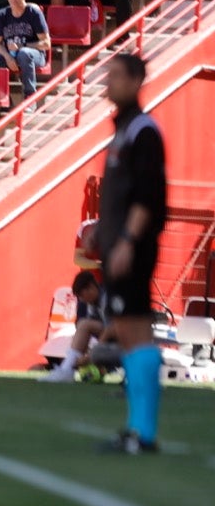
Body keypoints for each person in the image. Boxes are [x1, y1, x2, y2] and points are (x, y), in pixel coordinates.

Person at [91, 54, 169, 453]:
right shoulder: (124, 129)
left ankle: (144, 432)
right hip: (118, 245)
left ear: (137, 80)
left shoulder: (143, 131)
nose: (109, 83)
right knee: (126, 332)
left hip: (131, 248)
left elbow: (147, 196)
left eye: (116, 76)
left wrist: (125, 241)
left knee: (136, 334)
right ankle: (139, 429)